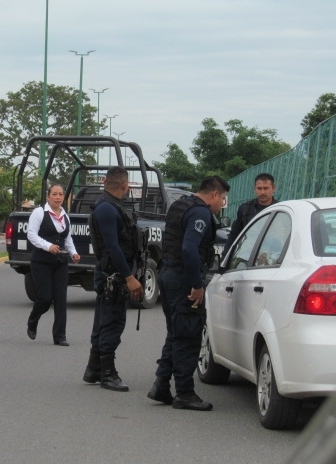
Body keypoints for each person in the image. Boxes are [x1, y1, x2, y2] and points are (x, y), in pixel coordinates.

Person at [148, 175, 230, 411]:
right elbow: (189, 248)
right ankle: (184, 393)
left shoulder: (179, 205)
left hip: (168, 275)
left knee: (175, 333)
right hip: (183, 279)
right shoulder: (201, 213)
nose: (221, 203)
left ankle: (161, 384)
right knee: (188, 336)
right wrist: (197, 285)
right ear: (214, 194)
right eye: (222, 198)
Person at [82, 166, 144, 392]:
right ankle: (107, 373)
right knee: (112, 323)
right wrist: (129, 277)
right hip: (114, 276)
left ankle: (93, 369)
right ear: (125, 186)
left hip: (111, 274)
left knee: (103, 321)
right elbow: (113, 247)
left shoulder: (110, 205)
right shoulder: (107, 209)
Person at [26, 184, 80, 346]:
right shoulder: (39, 213)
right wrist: (48, 246)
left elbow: (67, 238)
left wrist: (73, 253)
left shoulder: (65, 215)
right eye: (54, 194)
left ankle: (60, 336)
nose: (58, 197)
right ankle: (33, 320)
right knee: (45, 297)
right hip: (41, 261)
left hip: (60, 263)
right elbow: (31, 235)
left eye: (60, 194)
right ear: (48, 196)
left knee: (61, 299)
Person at [222, 173, 277, 259]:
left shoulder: (280, 209)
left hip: (272, 258)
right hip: (247, 258)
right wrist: (225, 258)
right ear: (254, 189)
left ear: (273, 188)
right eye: (259, 188)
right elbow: (233, 235)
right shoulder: (245, 209)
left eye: (266, 188)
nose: (262, 192)